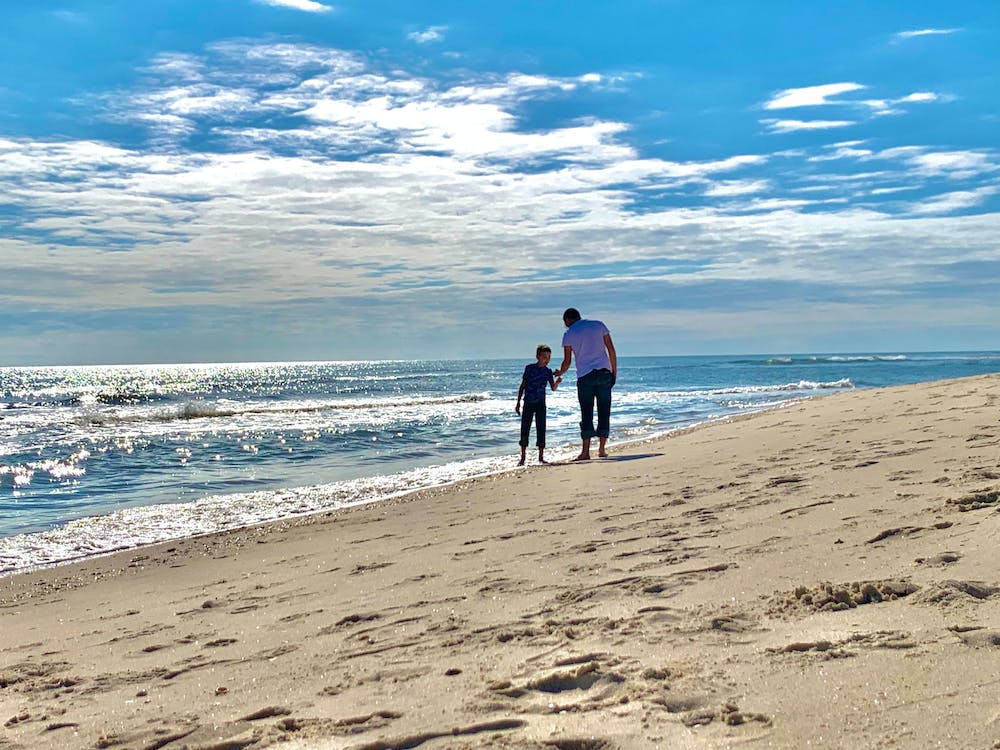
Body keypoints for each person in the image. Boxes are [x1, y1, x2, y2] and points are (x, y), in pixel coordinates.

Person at [553, 308, 617, 461]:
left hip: (585, 375)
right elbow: (611, 349)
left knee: (586, 412)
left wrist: (560, 372)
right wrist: (614, 371)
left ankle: (586, 452)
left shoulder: (569, 334)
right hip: (604, 372)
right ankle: (601, 449)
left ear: (567, 320)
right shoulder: (598, 325)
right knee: (604, 411)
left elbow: (567, 361)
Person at [515, 344, 562, 466]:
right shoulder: (529, 368)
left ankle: (541, 457)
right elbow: (523, 386)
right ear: (538, 356)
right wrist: (518, 402)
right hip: (528, 403)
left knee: (541, 429)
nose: (547, 359)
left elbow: (553, 388)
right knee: (525, 429)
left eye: (549, 357)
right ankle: (523, 457)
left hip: (541, 404)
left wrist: (557, 382)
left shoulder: (547, 372)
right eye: (544, 356)